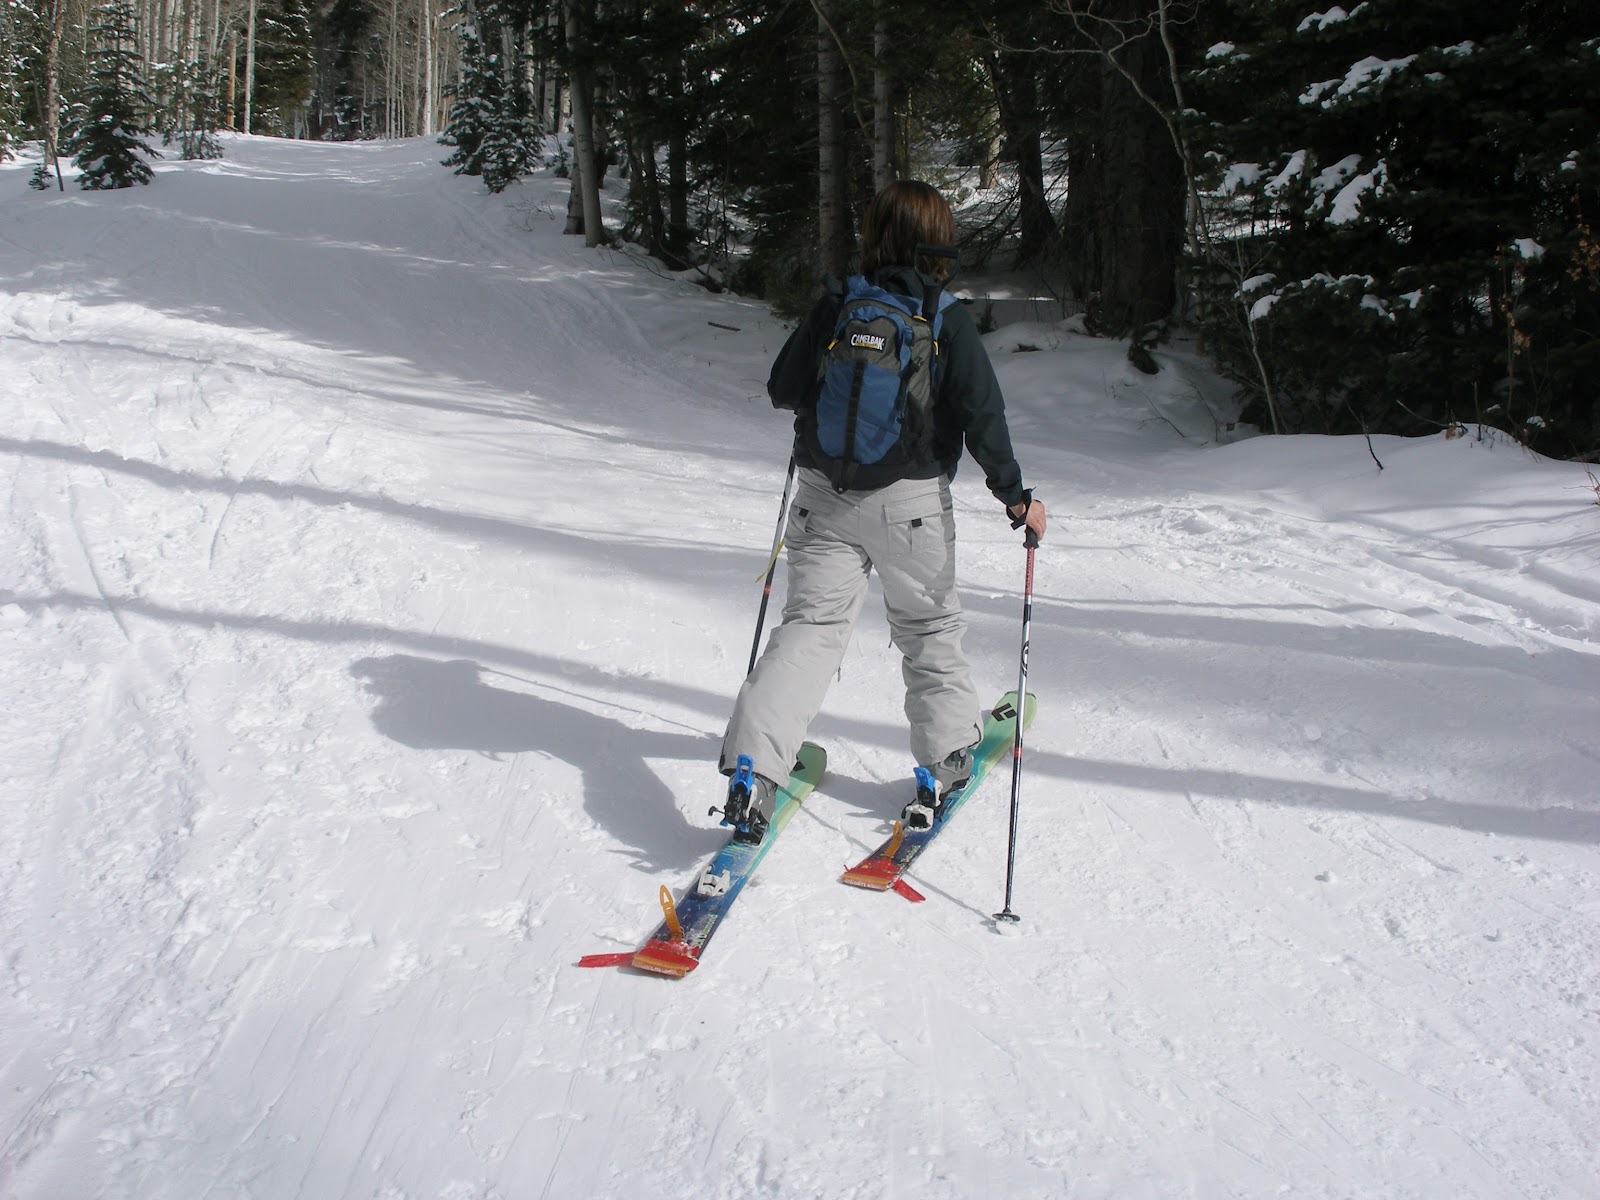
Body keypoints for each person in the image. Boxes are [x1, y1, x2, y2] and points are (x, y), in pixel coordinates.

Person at [718, 180, 1047, 844]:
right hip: (912, 506)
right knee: (927, 630)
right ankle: (947, 755)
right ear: (938, 239)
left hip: (821, 496)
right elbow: (984, 418)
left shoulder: (839, 302)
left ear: (875, 233)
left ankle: (753, 770)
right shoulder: (942, 314)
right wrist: (1018, 500)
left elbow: (783, 388)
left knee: (808, 630)